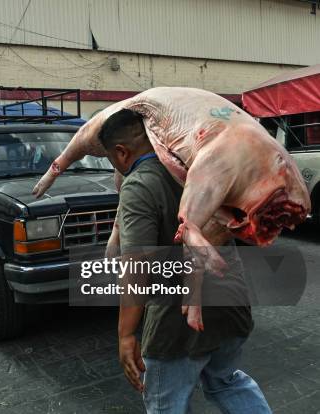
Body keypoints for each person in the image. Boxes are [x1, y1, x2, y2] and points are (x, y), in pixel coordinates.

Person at [99, 110, 270, 413]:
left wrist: (126, 335)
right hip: (233, 305)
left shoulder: (139, 185)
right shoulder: (201, 167)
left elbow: (137, 268)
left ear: (121, 152)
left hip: (177, 325)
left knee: (166, 404)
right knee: (227, 381)